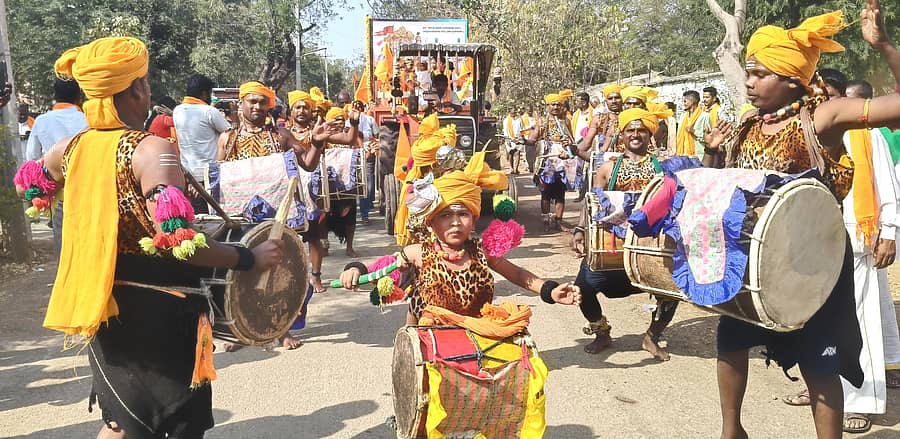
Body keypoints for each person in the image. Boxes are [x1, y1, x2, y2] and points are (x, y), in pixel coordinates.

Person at [37, 36, 285, 439]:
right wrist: (247, 257)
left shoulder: (69, 149)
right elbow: (182, 247)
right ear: (137, 88)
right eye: (146, 81)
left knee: (120, 422)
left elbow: (28, 186)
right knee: (177, 425)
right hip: (160, 310)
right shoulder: (153, 151)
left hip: (102, 303)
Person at [702, 3, 900, 437]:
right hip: (755, 259)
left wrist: (884, 45)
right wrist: (713, 151)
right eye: (748, 73)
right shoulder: (746, 124)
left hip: (815, 262)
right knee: (731, 340)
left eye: (760, 74)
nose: (749, 83)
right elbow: (717, 190)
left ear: (792, 79)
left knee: (819, 362)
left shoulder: (824, 117)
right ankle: (731, 430)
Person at [779, 70, 900, 434]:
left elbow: (886, 184)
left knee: (859, 321)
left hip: (856, 238)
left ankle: (861, 399)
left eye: (826, 91)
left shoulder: (865, 133)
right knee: (813, 319)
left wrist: (889, 231)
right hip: (811, 240)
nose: (820, 98)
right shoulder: (800, 132)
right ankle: (821, 386)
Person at [338, 152, 582, 325]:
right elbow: (381, 274)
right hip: (427, 336)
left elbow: (518, 275)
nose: (455, 222)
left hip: (475, 332)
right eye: (445, 215)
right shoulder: (418, 252)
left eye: (463, 214)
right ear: (431, 221)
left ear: (474, 220)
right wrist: (355, 270)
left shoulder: (482, 252)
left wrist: (549, 290)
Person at [571, 107, 679, 360]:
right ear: (622, 134)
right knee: (583, 289)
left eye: (641, 130)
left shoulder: (662, 168)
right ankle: (602, 333)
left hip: (649, 247)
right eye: (630, 129)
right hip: (611, 246)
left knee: (672, 290)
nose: (636, 134)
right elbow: (592, 204)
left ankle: (651, 338)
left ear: (650, 134)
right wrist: (579, 229)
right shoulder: (608, 168)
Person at [285, 89, 361, 295]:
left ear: (311, 112)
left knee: (314, 236)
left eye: (305, 108)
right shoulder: (282, 133)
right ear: (290, 111)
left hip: (314, 192)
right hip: (288, 193)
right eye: (297, 107)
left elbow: (349, 140)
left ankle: (315, 275)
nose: (301, 111)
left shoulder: (320, 130)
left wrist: (353, 123)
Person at [173, 74, 232, 213]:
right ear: (204, 93)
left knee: (199, 218)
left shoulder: (177, 111)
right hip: (210, 175)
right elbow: (230, 135)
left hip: (189, 174)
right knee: (216, 216)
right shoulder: (209, 111)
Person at [527, 89, 576, 232]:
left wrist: (569, 145)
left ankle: (559, 221)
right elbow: (533, 139)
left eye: (558, 105)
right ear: (547, 106)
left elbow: (571, 139)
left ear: (562, 106)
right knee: (546, 192)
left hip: (562, 158)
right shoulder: (542, 121)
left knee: (560, 192)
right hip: (547, 159)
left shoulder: (566, 120)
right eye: (552, 105)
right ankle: (546, 221)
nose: (555, 107)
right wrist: (525, 141)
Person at [26, 79, 87, 161]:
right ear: (79, 97)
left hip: (52, 172)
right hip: (84, 170)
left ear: (55, 96)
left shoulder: (41, 121)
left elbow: (32, 156)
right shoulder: (88, 120)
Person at [576, 83, 626, 160]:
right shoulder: (599, 119)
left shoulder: (630, 119)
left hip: (626, 160)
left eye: (617, 98)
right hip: (604, 161)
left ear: (623, 99)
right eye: (610, 98)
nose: (614, 101)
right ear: (606, 101)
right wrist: (573, 150)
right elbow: (586, 142)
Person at [355, 100, 379, 225]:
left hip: (369, 152)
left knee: (368, 185)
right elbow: (352, 137)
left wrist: (371, 147)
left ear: (363, 108)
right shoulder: (349, 122)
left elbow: (376, 135)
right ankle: (361, 214)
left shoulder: (370, 120)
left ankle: (365, 211)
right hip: (354, 155)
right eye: (355, 107)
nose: (357, 109)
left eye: (359, 107)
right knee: (357, 185)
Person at [572, 92, 594, 201]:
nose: (576, 103)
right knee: (579, 169)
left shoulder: (593, 113)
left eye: (578, 101)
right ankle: (580, 192)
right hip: (578, 146)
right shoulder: (576, 114)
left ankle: (586, 193)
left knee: (588, 170)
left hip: (589, 146)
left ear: (584, 102)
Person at [691, 86, 723, 159]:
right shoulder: (702, 111)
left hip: (714, 146)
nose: (704, 100)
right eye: (704, 97)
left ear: (714, 98)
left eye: (707, 97)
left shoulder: (719, 111)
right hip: (701, 147)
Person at [675, 90, 702, 158]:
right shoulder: (683, 117)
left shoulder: (703, 116)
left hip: (696, 156)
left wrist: (694, 131)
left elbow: (708, 136)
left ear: (692, 101)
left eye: (685, 101)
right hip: (683, 154)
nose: (684, 104)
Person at [503, 108, 524, 174]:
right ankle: (512, 168)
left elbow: (521, 129)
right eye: (512, 113)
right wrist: (507, 139)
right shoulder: (506, 120)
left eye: (514, 112)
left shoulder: (519, 119)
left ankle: (516, 169)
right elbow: (505, 131)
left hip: (517, 138)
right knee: (511, 153)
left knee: (517, 153)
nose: (514, 114)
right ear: (509, 112)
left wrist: (520, 137)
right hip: (509, 139)